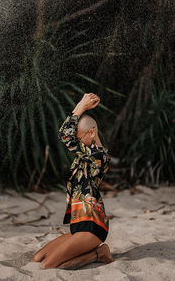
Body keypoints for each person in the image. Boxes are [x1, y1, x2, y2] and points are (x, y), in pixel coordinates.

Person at [33, 93, 114, 269]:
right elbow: (67, 135)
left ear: (92, 132)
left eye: (79, 137)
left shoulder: (99, 156)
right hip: (78, 224)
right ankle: (95, 252)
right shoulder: (84, 156)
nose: (76, 141)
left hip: (93, 227)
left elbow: (65, 136)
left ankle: (98, 253)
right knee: (38, 257)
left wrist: (81, 106)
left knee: (48, 265)